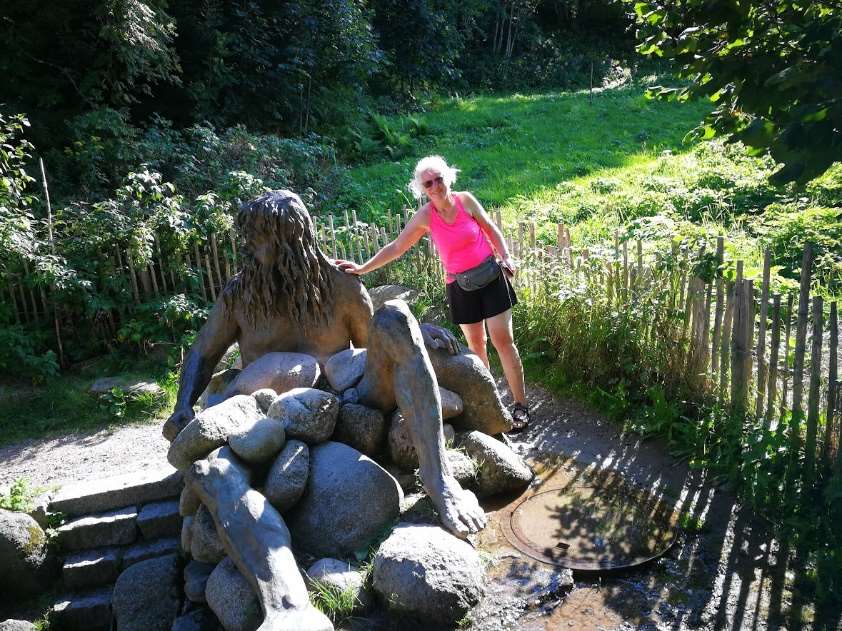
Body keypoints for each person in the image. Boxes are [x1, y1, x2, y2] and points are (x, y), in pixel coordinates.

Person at [336, 155, 530, 431]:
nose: (436, 186)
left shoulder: (465, 200)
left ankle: (520, 406)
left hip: (490, 277)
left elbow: (491, 228)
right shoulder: (425, 216)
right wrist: (363, 268)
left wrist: (506, 256)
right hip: (460, 287)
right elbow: (397, 247)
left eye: (439, 179)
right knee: (476, 346)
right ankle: (492, 407)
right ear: (422, 189)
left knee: (502, 340)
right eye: (429, 183)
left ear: (447, 177)